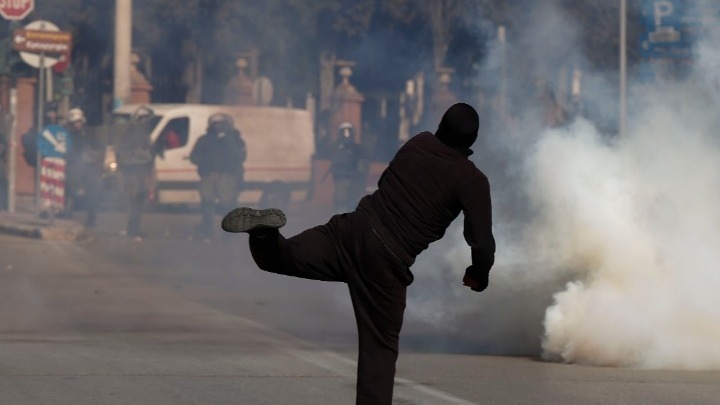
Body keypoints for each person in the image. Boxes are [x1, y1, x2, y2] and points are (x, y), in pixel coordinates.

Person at [221, 103, 496, 405]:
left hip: (352, 228)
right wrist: (478, 274)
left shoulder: (418, 142)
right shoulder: (471, 179)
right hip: (386, 261)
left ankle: (264, 233)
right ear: (473, 140)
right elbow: (481, 241)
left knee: (278, 257)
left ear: (442, 124)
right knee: (379, 350)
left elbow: (385, 181)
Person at [190, 113, 246, 240]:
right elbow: (194, 156)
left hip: (228, 176)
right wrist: (204, 163)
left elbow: (241, 157)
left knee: (227, 204)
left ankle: (228, 233)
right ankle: (207, 230)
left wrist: (229, 140)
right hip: (209, 175)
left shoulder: (236, 139)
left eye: (221, 123)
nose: (218, 126)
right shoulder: (204, 139)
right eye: (215, 123)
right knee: (206, 202)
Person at [114, 106, 156, 240]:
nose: (146, 122)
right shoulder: (131, 134)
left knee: (139, 202)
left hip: (142, 173)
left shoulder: (145, 134)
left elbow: (150, 153)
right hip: (133, 174)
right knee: (134, 202)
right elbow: (122, 153)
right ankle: (132, 229)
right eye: (145, 119)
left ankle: (135, 228)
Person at [64, 108, 104, 227]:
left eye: (78, 122)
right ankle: (68, 212)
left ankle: (91, 217)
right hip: (73, 167)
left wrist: (93, 157)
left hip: (90, 168)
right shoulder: (67, 134)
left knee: (91, 193)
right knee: (70, 190)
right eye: (74, 123)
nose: (76, 125)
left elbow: (100, 148)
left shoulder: (91, 133)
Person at [329, 121, 363, 212]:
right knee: (341, 200)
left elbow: (362, 159)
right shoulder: (337, 146)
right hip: (341, 178)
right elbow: (336, 159)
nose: (346, 134)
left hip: (353, 178)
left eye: (348, 131)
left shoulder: (355, 147)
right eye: (344, 131)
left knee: (352, 201)